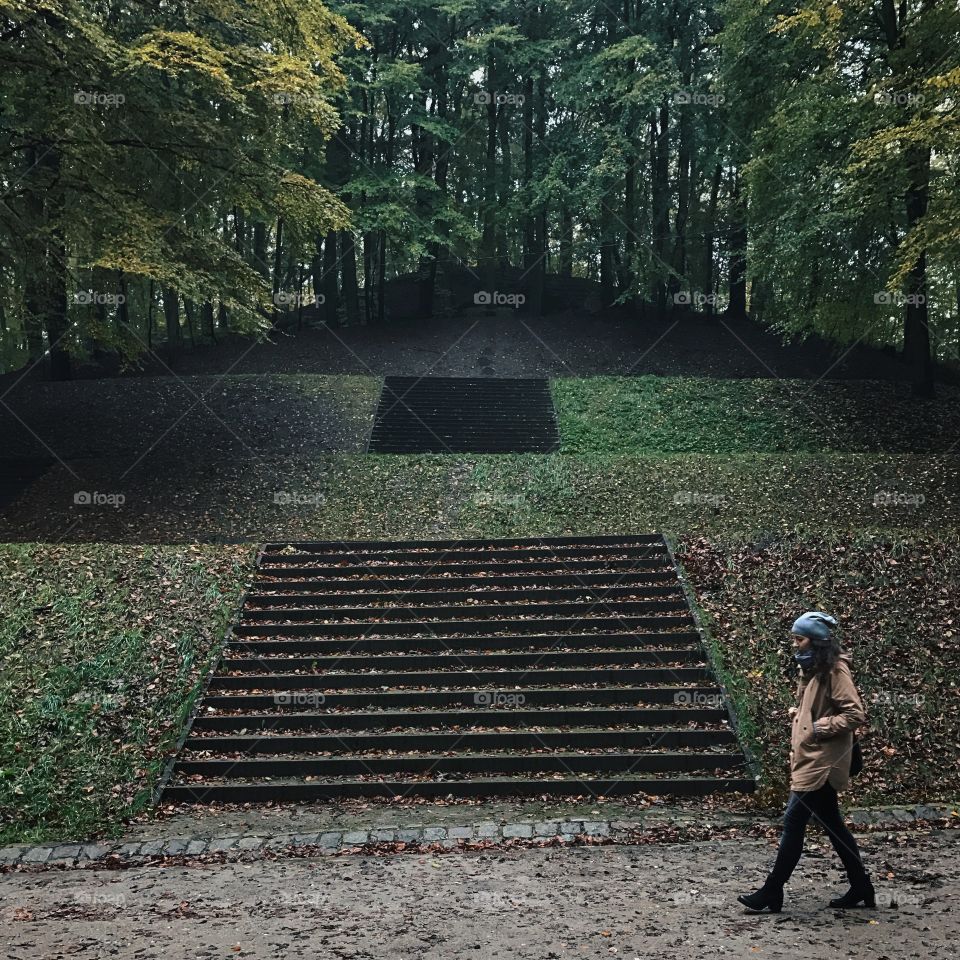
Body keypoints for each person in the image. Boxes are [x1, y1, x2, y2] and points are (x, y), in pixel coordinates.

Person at [737, 611, 874, 912]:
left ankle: (772, 890)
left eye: (799, 639)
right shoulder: (814, 669)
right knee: (833, 824)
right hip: (812, 758)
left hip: (822, 762)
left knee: (793, 821)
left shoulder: (835, 670)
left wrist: (816, 727)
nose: (795, 645)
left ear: (816, 641)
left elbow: (855, 713)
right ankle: (861, 886)